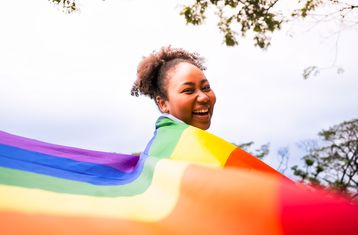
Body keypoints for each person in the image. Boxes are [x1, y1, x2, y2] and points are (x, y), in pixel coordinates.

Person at [131, 46, 216, 130]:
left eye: (206, 88)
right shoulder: (187, 143)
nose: (204, 98)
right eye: (188, 90)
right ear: (163, 104)